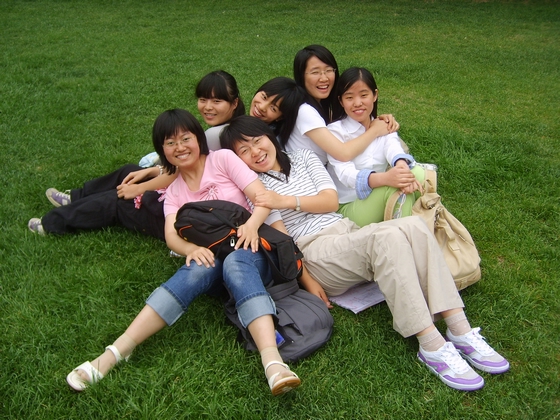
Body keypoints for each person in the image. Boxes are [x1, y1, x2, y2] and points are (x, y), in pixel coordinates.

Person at [219, 116, 510, 392]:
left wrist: (284, 200)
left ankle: (460, 328)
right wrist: (308, 280)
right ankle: (430, 343)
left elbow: (330, 201)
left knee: (413, 225)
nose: (255, 152)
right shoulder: (254, 187)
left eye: (257, 141)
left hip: (346, 231)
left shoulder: (303, 157)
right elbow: (284, 240)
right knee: (385, 236)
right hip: (314, 250)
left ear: (269, 136)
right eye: (243, 151)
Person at [66, 109, 301, 396]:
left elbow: (262, 199)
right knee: (197, 267)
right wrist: (191, 248)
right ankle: (117, 351)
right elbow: (171, 236)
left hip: (255, 251)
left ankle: (273, 362)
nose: (179, 147)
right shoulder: (174, 190)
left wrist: (251, 225)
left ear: (198, 138)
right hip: (217, 260)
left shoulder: (223, 160)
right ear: (162, 150)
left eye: (185, 138)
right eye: (170, 142)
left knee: (238, 261)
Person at [27, 70, 245, 240]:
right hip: (193, 191)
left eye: (217, 101)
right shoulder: (229, 128)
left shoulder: (217, 136)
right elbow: (185, 168)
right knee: (129, 172)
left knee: (120, 199)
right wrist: (153, 171)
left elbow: (183, 173)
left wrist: (140, 188)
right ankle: (76, 198)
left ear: (234, 103)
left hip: (194, 205)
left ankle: (52, 223)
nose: (208, 107)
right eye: (203, 99)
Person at [327, 67, 425, 227]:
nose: (357, 103)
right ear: (341, 101)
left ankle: (402, 232)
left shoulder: (383, 124)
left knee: (416, 173)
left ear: (375, 95)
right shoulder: (335, 132)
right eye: (349, 97)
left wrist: (401, 167)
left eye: (364, 95)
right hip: (349, 207)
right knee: (396, 187)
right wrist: (386, 178)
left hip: (380, 194)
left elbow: (393, 147)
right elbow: (346, 174)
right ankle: (405, 233)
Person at [287, 45, 399, 165]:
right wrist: (375, 130)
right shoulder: (305, 111)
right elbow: (343, 154)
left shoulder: (322, 106)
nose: (324, 78)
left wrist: (381, 121)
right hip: (306, 174)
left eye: (329, 70)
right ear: (301, 76)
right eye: (315, 72)